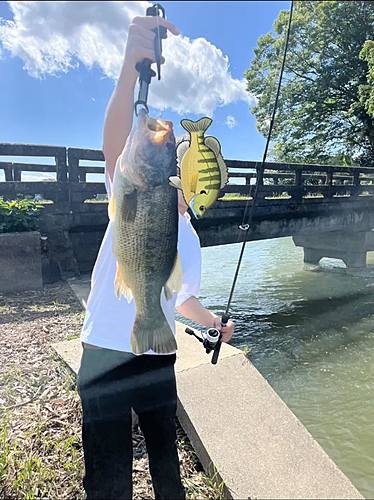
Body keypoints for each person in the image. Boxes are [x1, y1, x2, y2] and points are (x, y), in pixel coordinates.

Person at [77, 14, 235, 500]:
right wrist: (130, 65)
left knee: (166, 459)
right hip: (105, 344)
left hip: (156, 349)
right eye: (177, 159)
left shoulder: (187, 233)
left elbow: (181, 297)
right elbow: (113, 146)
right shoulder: (131, 187)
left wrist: (213, 324)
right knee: (108, 475)